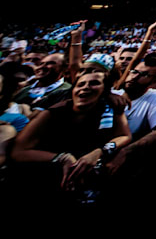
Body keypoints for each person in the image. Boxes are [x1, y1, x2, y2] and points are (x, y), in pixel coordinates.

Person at [10, 63, 131, 225]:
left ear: (105, 91)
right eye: (80, 84)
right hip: (41, 182)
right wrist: (62, 158)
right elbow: (18, 152)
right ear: (72, 91)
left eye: (94, 83)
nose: (85, 88)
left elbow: (124, 135)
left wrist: (100, 151)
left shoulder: (110, 109)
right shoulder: (52, 113)